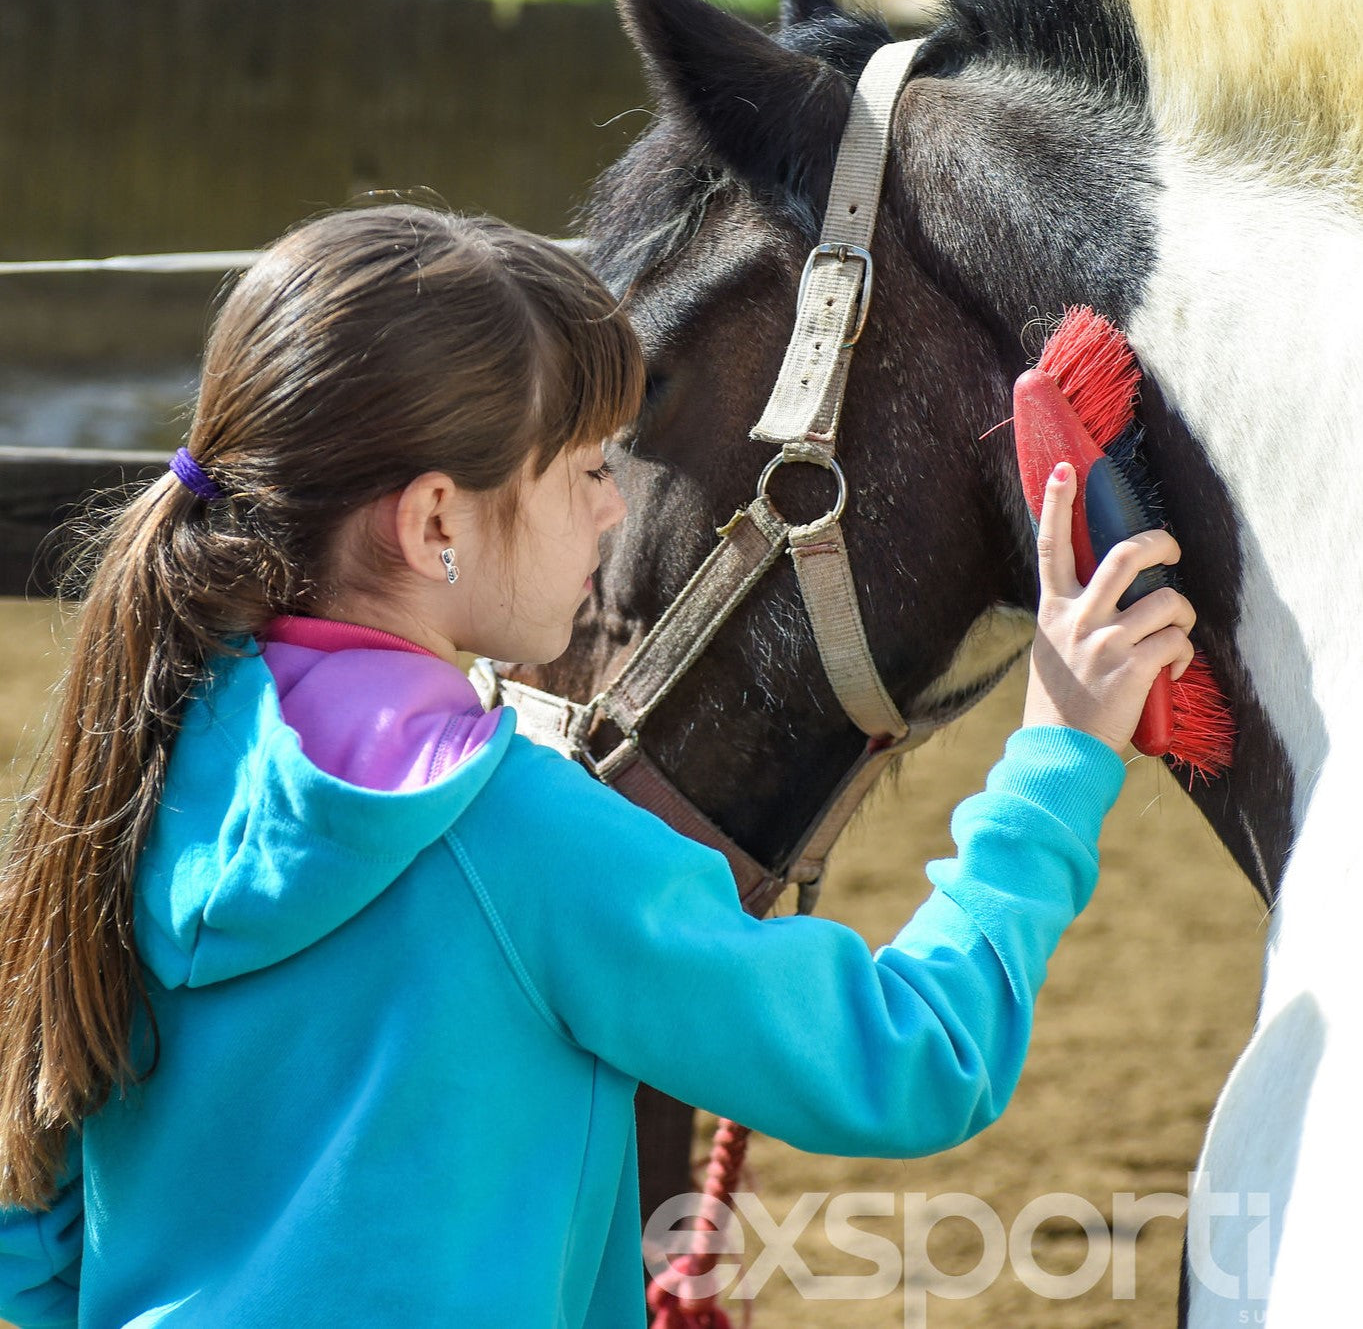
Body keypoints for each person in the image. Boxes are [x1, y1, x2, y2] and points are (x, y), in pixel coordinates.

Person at [0, 203, 1196, 1328]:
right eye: (583, 471)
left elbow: (31, 1229)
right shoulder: (528, 835)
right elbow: (915, 1059)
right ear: (434, 526)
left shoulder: (139, 755)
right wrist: (1056, 749)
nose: (614, 513)